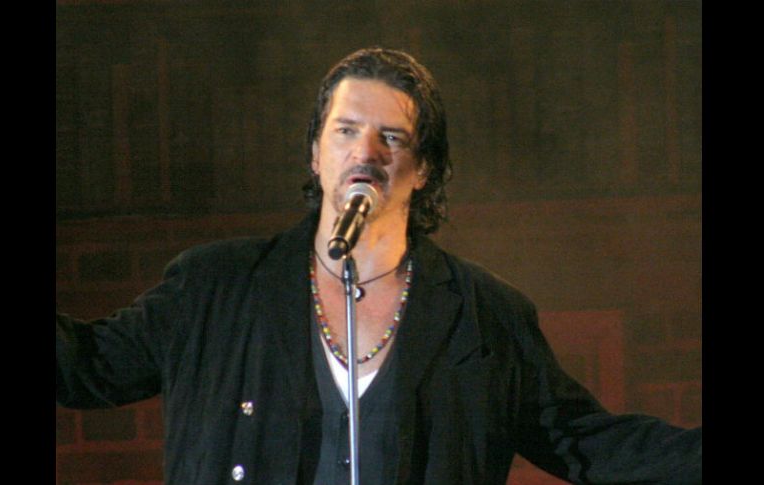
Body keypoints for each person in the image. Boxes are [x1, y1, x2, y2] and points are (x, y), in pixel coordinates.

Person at [56, 47, 702, 485]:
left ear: (423, 170)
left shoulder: (485, 315)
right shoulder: (216, 287)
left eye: (391, 137)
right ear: (315, 154)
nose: (365, 151)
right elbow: (85, 367)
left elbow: (584, 441)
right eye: (345, 130)